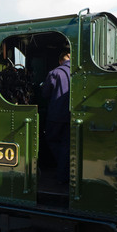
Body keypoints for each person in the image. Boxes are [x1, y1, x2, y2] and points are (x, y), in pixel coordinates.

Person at [42, 52, 71, 184]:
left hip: (56, 114)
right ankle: (65, 171)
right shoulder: (77, 73)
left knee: (51, 140)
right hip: (71, 115)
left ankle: (61, 171)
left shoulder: (55, 73)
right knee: (66, 144)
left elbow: (45, 94)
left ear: (60, 61)